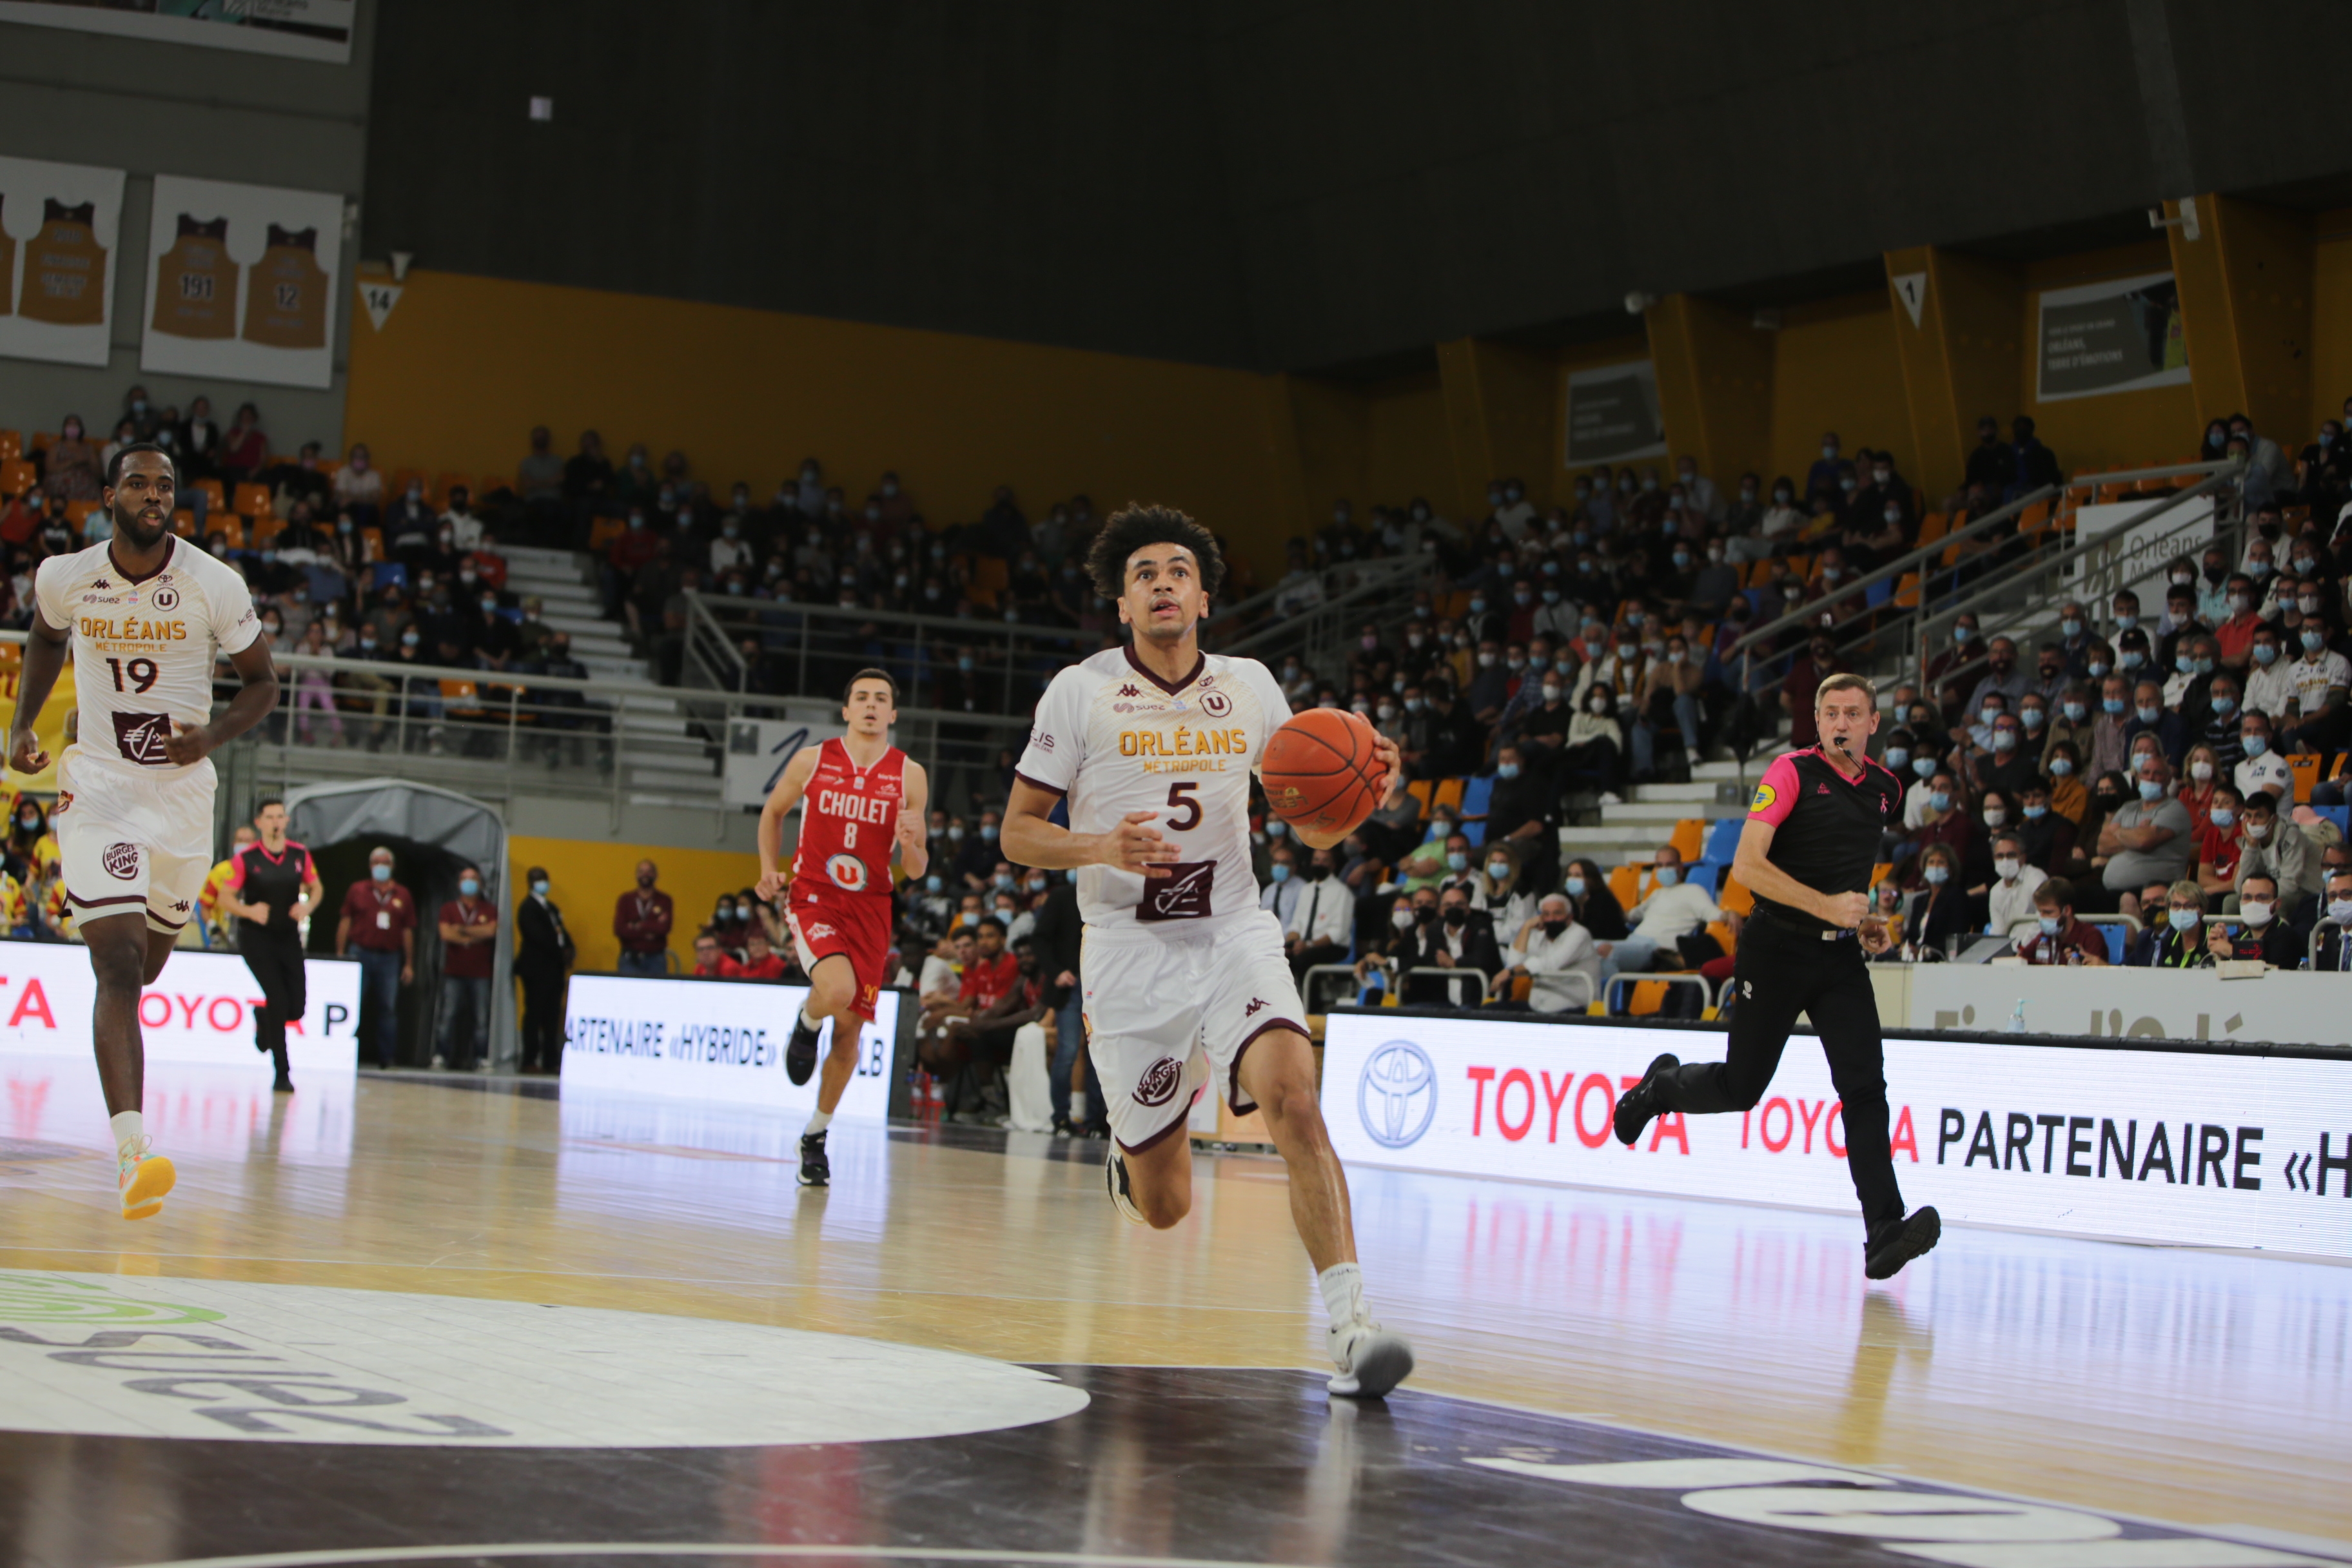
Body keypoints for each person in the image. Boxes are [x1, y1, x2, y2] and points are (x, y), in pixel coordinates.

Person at [1000, 502, 1413, 1399]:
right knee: (1167, 1206)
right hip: (1128, 951)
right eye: (1144, 573)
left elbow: (1310, 832)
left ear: (1203, 598)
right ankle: (1133, 1151)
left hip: (1232, 930)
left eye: (1178, 571)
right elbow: (1018, 835)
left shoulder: (1255, 686)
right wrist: (1098, 845)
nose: (1162, 584)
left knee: (1295, 1103)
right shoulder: (1080, 690)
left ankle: (1350, 1327)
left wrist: (1372, 781)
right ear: (1122, 603)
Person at [5, 443, 279, 1222]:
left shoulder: (212, 583)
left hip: (184, 796)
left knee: (152, 961)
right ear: (109, 496)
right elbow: (47, 635)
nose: (153, 494)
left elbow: (263, 682)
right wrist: (24, 724)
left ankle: (128, 932)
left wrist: (213, 735)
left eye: (164, 486)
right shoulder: (67, 575)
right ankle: (134, 1153)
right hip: (98, 787)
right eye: (138, 483)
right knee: (118, 964)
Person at [1613, 672, 1941, 1281]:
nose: (1841, 723)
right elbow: (1747, 867)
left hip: (1839, 956)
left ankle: (1883, 1230)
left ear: (1874, 723)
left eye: (1853, 713)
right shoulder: (1790, 772)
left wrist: (1860, 918)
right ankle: (1660, 1088)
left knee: (1865, 1088)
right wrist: (1826, 907)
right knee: (1742, 1088)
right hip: (1774, 950)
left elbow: (1845, 864)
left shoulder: (1886, 789)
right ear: (1816, 723)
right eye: (1830, 713)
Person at [754, 668, 930, 1187]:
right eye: (862, 698)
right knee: (835, 989)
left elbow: (916, 869)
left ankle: (815, 1136)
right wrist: (768, 866)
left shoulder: (910, 775)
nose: (871, 706)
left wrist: (914, 842)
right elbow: (773, 811)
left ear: (893, 714)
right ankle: (807, 1024)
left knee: (850, 1035)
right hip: (816, 896)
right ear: (847, 710)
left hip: (873, 906)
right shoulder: (813, 760)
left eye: (881, 699)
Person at [219, 798, 319, 1093]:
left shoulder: (299, 855)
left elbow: (317, 887)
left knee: (296, 1007)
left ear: (286, 821)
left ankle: (263, 1018)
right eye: (270, 817)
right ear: (259, 822)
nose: (276, 821)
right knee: (277, 997)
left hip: (288, 936)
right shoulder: (247, 859)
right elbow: (226, 897)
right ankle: (282, 1074)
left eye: (280, 816)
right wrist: (249, 911)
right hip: (257, 937)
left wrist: (308, 906)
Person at [338, 846, 417, 1068]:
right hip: (359, 953)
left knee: (388, 1009)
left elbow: (408, 930)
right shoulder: (358, 890)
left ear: (392, 867)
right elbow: (345, 921)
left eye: (385, 863)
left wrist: (409, 963)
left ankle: (387, 1057)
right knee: (353, 1005)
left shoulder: (403, 894)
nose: (380, 867)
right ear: (370, 866)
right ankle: (344, 1053)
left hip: (389, 957)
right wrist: (340, 955)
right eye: (377, 863)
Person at [436, 864, 498, 1072]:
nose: (469, 883)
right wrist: (474, 935)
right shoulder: (449, 909)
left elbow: (490, 932)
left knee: (481, 1018)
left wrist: (462, 930)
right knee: (448, 1016)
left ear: (480, 884)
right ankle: (441, 1055)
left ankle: (481, 1056)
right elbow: (446, 934)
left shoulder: (489, 909)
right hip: (454, 972)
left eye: (473, 879)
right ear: (459, 884)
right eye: (465, 879)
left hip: (480, 972)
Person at [513, 865, 574, 1074]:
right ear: (530, 883)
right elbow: (539, 937)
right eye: (538, 879)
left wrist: (570, 950)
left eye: (544, 879)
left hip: (553, 971)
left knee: (552, 1016)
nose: (542, 883)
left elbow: (561, 933)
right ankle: (529, 1059)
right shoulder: (527, 908)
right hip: (536, 970)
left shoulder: (551, 908)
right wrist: (560, 951)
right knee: (534, 1015)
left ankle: (551, 1060)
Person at [1496, 892, 1598, 1012]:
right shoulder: (1538, 936)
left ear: (1570, 917)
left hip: (1573, 1009)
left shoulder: (1580, 934)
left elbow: (1552, 964)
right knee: (1489, 1011)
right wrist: (1526, 927)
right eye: (1546, 914)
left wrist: (1510, 972)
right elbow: (1514, 964)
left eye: (1557, 913)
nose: (1551, 919)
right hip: (1538, 1009)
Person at [2012, 877, 2108, 965]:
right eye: (2040, 912)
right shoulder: (2045, 937)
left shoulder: (2091, 936)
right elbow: (2019, 961)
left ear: (2067, 910)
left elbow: (2096, 976)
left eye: (2048, 912)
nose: (2042, 917)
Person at [613, 859, 673, 977]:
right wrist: (652, 928)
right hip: (629, 958)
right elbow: (619, 929)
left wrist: (637, 926)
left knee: (656, 993)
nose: (645, 875)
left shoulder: (665, 900)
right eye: (641, 872)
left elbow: (664, 929)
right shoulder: (626, 899)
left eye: (649, 872)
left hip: (656, 958)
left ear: (656, 875)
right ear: (636, 875)